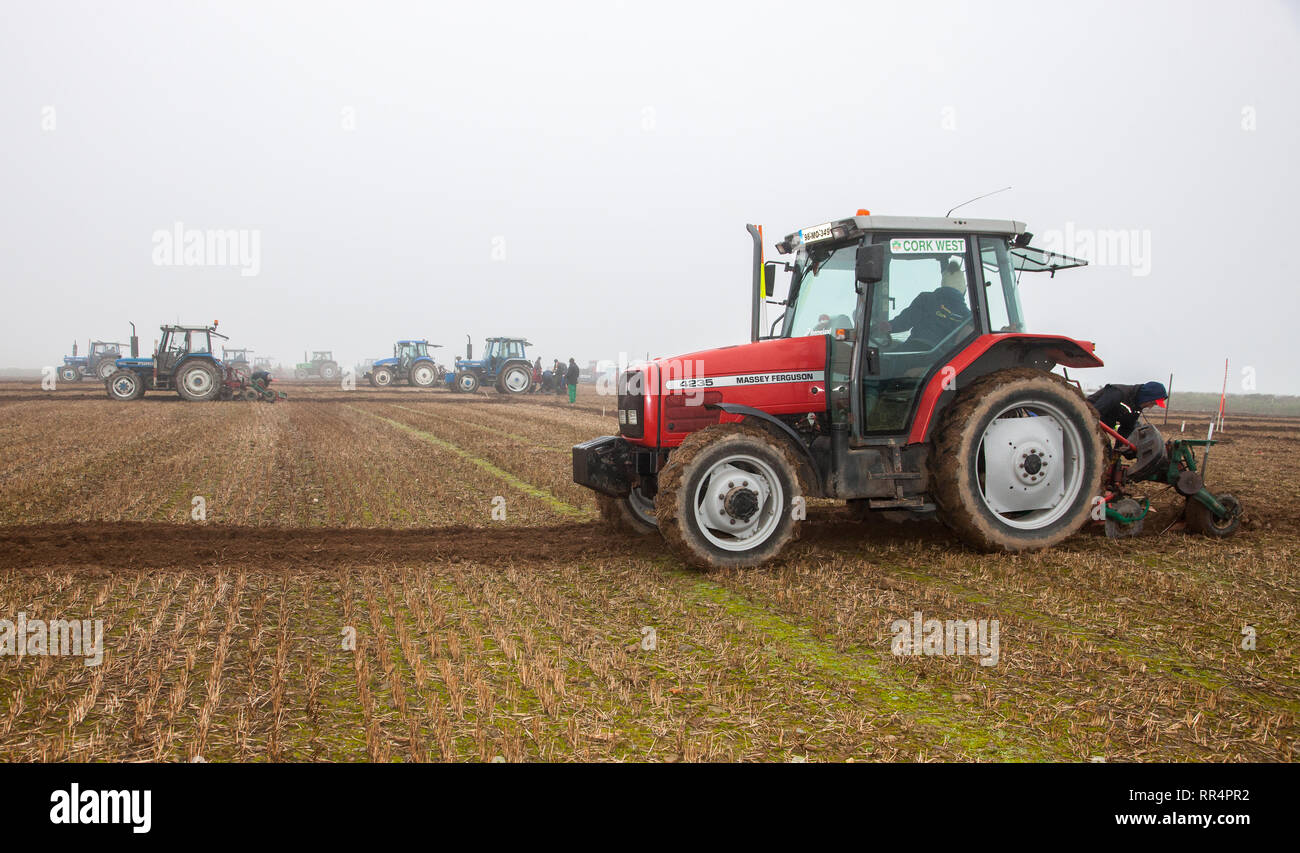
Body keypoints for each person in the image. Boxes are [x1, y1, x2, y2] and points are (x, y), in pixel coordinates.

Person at [873, 256, 970, 348]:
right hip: (943, 358)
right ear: (963, 290)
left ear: (943, 283)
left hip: (915, 351)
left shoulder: (926, 299)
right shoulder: (968, 316)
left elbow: (905, 320)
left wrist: (888, 326)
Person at [1088, 381, 1167, 440]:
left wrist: (1119, 450)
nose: (1150, 407)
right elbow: (1095, 412)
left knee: (1107, 452)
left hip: (1101, 424)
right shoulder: (1118, 393)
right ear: (1146, 397)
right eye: (1152, 403)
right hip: (1086, 417)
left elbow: (1126, 428)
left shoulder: (1136, 408)